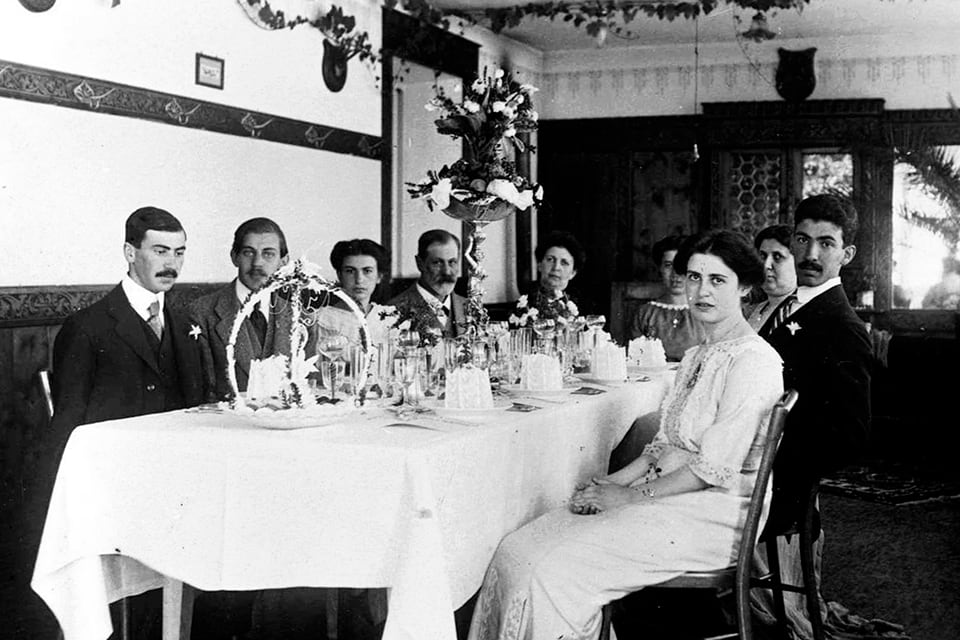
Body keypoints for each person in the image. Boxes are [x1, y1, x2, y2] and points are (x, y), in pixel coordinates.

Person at [468, 230, 783, 640]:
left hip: (716, 514)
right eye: (693, 277)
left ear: (744, 287)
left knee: (553, 567)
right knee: (517, 549)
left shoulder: (754, 362)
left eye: (717, 280)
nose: (701, 291)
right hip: (674, 496)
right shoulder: (697, 355)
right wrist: (611, 481)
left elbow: (713, 470)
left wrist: (629, 497)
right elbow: (665, 445)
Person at [49, 206, 205, 640]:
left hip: (176, 489)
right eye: (159, 250)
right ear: (129, 252)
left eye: (179, 252)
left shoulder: (186, 322)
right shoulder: (89, 328)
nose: (171, 263)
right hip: (112, 496)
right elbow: (67, 430)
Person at [752, 194, 873, 639]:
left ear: (847, 254)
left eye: (826, 243)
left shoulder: (840, 325)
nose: (811, 254)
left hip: (781, 483)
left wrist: (777, 464)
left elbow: (853, 434)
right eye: (802, 239)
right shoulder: (793, 306)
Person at [189, 217, 290, 401]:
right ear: (234, 257)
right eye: (248, 253)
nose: (258, 263)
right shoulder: (202, 313)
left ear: (283, 261)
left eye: (268, 254)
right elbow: (204, 392)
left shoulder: (298, 317)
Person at [627, 233, 705, 360]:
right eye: (668, 265)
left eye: (682, 266)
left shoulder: (705, 312)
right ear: (660, 268)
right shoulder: (645, 313)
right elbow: (635, 361)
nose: (676, 274)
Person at [388, 229, 466, 339]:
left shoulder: (469, 308)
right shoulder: (394, 310)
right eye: (437, 263)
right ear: (420, 264)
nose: (447, 271)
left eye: (452, 262)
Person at [517, 230, 587, 321]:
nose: (556, 267)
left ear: (573, 273)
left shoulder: (583, 308)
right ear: (539, 265)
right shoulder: (523, 304)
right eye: (550, 259)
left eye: (564, 263)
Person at [746, 224, 798, 333]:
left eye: (777, 257)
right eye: (763, 256)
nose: (766, 265)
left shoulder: (803, 311)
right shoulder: (754, 310)